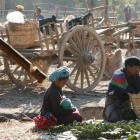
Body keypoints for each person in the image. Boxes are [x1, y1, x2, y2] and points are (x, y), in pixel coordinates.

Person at [102, 57, 140, 123]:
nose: (138, 70)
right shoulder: (119, 74)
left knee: (130, 119)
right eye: (136, 67)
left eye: (139, 67)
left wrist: (137, 77)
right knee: (116, 120)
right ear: (128, 67)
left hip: (125, 103)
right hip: (114, 102)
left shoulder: (134, 75)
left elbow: (137, 90)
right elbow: (129, 90)